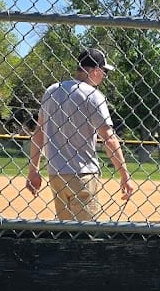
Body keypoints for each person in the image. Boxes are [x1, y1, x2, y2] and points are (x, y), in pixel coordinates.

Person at [25, 48, 135, 220]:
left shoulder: (52, 91)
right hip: (83, 174)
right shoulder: (93, 95)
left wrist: (33, 170)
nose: (104, 76)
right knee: (86, 231)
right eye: (104, 72)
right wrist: (124, 175)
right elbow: (109, 138)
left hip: (56, 174)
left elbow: (38, 133)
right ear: (95, 70)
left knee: (66, 230)